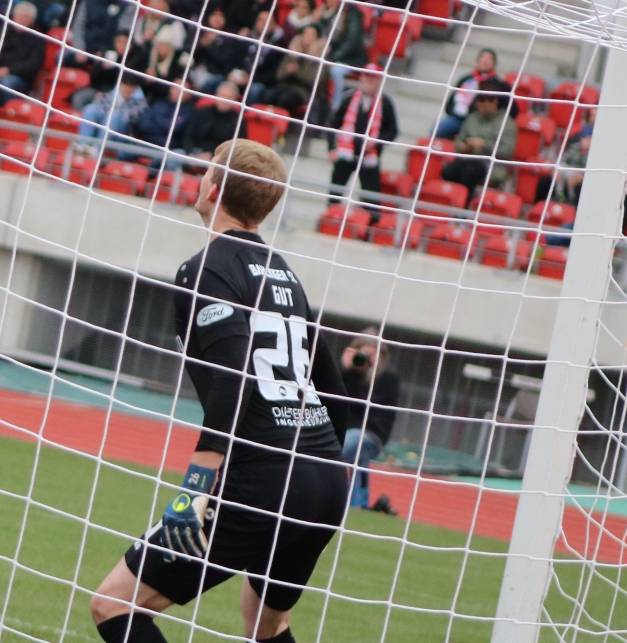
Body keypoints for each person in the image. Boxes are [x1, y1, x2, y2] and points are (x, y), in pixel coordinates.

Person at [90, 140, 350, 643]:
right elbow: (334, 390)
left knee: (114, 605)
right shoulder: (284, 273)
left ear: (214, 188)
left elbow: (235, 376)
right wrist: (325, 465)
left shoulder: (206, 268)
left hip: (263, 478)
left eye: (207, 169)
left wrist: (195, 487)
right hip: (323, 479)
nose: (201, 176)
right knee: (268, 625)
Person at [332, 330, 400, 514]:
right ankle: (357, 504)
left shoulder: (388, 377)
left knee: (339, 450)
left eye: (372, 354)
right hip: (345, 431)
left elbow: (363, 407)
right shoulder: (350, 373)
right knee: (357, 456)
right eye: (363, 353)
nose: (366, 359)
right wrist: (344, 369)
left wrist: (366, 372)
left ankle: (331, 495)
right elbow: (332, 396)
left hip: (371, 433)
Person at [328, 64, 396, 201]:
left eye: (374, 77)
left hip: (370, 157)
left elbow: (392, 131)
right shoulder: (348, 98)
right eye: (367, 75)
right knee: (335, 194)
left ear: (380, 80)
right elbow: (332, 125)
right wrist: (331, 149)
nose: (370, 80)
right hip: (345, 154)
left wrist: (376, 142)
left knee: (371, 198)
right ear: (361, 77)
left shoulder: (386, 103)